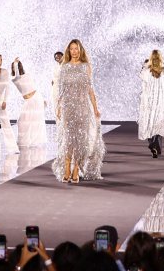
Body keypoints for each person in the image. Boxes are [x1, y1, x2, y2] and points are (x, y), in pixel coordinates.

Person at [52, 38, 104, 184]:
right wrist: (58, 107)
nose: (74, 51)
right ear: (68, 50)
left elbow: (90, 89)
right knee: (68, 138)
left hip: (82, 107)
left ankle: (76, 169)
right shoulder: (64, 67)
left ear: (80, 50)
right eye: (71, 49)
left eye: (76, 49)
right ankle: (67, 167)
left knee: (81, 139)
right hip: (68, 107)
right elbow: (61, 89)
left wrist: (95, 108)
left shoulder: (86, 66)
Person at [138, 49, 164, 158]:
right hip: (162, 99)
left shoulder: (146, 71)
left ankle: (152, 143)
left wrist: (145, 65)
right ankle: (156, 142)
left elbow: (142, 79)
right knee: (159, 121)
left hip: (149, 99)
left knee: (149, 121)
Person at [8, 57, 46, 154]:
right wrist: (15, 64)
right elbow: (17, 76)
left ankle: (34, 142)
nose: (13, 67)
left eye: (15, 66)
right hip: (28, 101)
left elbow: (33, 86)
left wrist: (43, 99)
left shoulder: (27, 75)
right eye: (12, 66)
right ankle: (24, 142)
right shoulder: (14, 78)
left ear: (19, 66)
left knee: (36, 121)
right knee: (21, 121)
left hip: (36, 98)